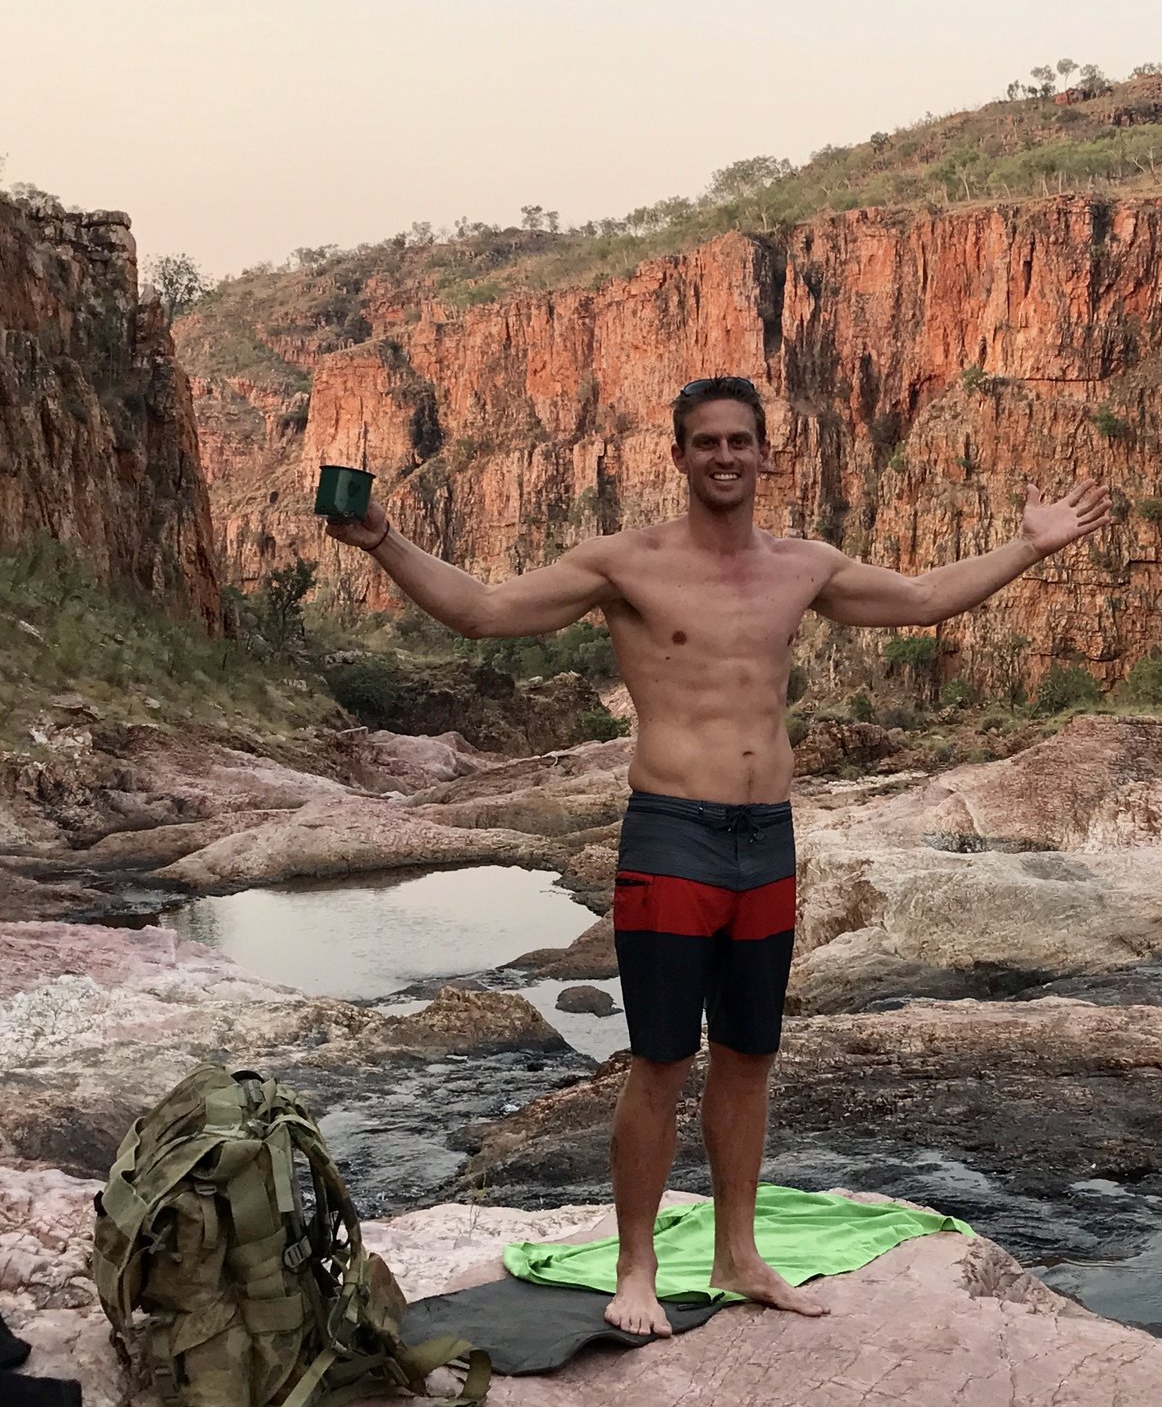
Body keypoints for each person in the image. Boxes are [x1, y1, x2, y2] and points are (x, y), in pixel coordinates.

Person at [326, 375, 1110, 1336]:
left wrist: (1030, 546)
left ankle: (740, 1256)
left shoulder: (803, 566)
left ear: (764, 453)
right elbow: (485, 610)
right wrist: (382, 540)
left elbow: (922, 600)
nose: (726, 457)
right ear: (680, 454)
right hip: (673, 834)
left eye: (741, 441)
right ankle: (636, 1269)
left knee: (749, 1056)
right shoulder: (627, 565)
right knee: (660, 1060)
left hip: (765, 842)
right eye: (707, 443)